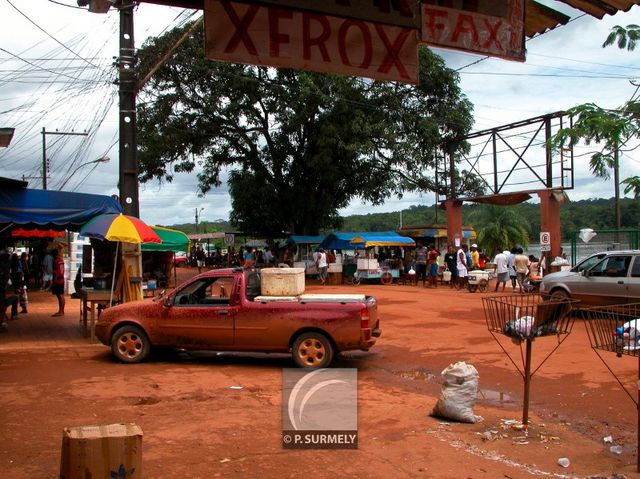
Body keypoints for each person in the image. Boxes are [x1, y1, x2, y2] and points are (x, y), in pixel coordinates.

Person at [51, 247, 65, 317]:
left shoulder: (56, 261)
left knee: (60, 295)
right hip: (61, 279)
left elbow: (56, 272)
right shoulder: (61, 260)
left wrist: (54, 281)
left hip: (58, 280)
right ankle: (61, 311)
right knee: (61, 295)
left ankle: (61, 311)